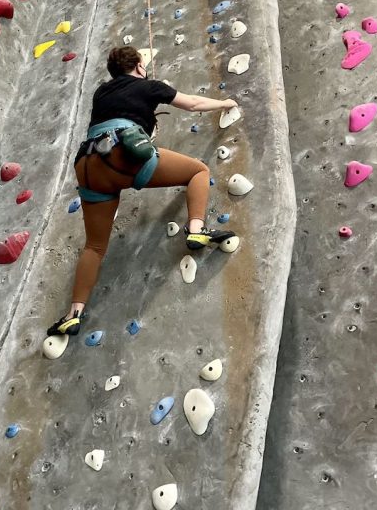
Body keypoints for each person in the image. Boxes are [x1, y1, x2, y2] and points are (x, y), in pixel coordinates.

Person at [46, 46, 238, 337]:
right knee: (198, 171)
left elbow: (117, 114)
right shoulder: (149, 86)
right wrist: (224, 102)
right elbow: (193, 104)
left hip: (88, 165)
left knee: (94, 247)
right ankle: (197, 229)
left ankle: (73, 314)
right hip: (122, 155)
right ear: (137, 65)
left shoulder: (101, 93)